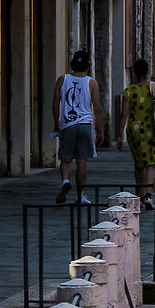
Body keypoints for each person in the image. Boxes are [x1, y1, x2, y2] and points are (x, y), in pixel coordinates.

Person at [53, 48, 101, 205]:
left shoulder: (62, 80)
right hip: (85, 125)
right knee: (82, 160)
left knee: (66, 159)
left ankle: (65, 181)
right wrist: (100, 129)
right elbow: (97, 108)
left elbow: (55, 104)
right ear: (88, 65)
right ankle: (80, 195)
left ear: (72, 63)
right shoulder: (91, 83)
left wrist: (56, 123)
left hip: (68, 125)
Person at [122, 57, 155, 205]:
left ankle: (141, 196)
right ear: (148, 72)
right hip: (152, 131)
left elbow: (124, 114)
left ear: (134, 72)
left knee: (139, 164)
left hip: (135, 131)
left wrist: (118, 135)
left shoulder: (129, 91)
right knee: (151, 163)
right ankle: (148, 195)